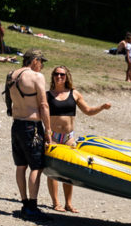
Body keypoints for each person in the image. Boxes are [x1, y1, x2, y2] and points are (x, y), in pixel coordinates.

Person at [45, 66, 112, 212]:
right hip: (53, 137)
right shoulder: (48, 95)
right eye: (56, 74)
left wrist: (101, 107)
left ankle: (68, 203)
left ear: (66, 76)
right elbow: (41, 115)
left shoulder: (74, 94)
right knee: (53, 172)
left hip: (68, 137)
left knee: (68, 171)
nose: (59, 77)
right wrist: (46, 135)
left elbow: (88, 111)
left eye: (62, 74)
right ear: (53, 77)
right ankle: (56, 203)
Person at [7, 49, 52, 220]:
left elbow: (9, 102)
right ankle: (32, 206)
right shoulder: (36, 76)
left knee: (20, 166)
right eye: (41, 62)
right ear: (34, 60)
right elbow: (43, 105)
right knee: (36, 166)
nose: (42, 66)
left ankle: (25, 202)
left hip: (16, 124)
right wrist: (48, 130)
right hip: (31, 126)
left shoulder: (12, 75)